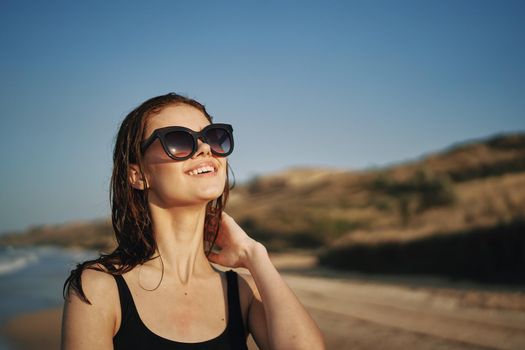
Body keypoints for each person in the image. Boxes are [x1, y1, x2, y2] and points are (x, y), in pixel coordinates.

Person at [61, 92, 325, 350]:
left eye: (214, 137)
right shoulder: (100, 288)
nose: (205, 148)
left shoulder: (242, 292)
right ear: (138, 175)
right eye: (178, 140)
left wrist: (254, 254)